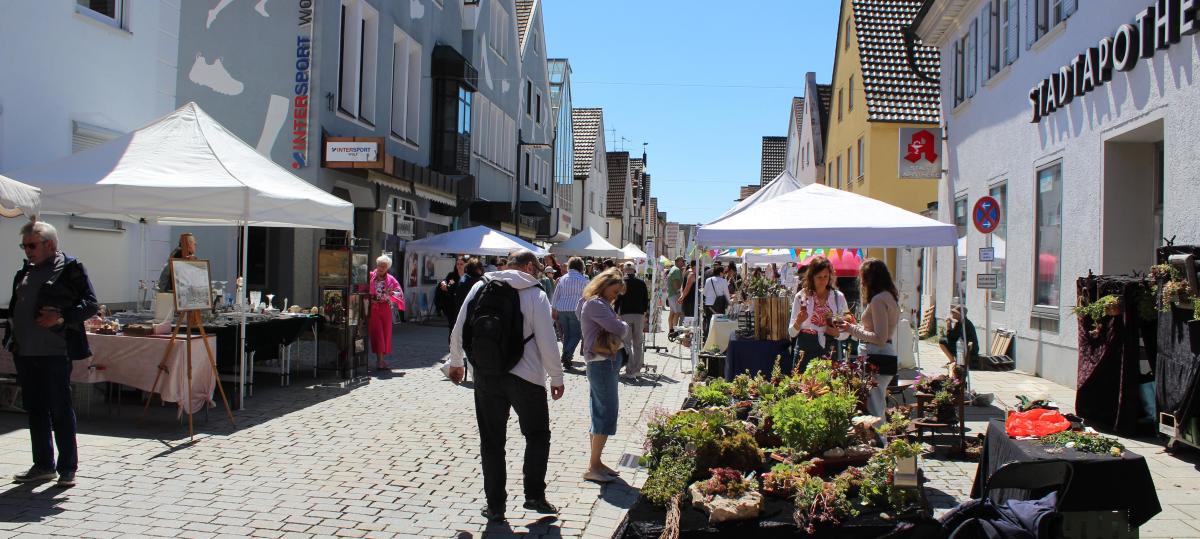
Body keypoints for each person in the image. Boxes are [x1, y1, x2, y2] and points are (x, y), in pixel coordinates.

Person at [447, 250, 564, 522]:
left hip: (487, 373)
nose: (538, 273)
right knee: (537, 436)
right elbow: (547, 340)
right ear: (527, 267)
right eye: (537, 268)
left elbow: (460, 326)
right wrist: (556, 377)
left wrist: (456, 362)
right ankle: (534, 495)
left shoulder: (481, 286)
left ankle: (495, 506)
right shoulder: (535, 295)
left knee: (492, 441)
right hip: (527, 377)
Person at [4, 221, 98, 488]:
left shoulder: (69, 268)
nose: (27, 250)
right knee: (35, 409)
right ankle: (43, 465)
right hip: (25, 351)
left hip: (55, 352)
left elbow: (90, 305)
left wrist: (61, 317)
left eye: (32, 245)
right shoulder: (25, 271)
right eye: (24, 246)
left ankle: (67, 467)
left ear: (50, 244)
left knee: (60, 408)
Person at [577, 268, 629, 483]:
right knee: (605, 413)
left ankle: (596, 463)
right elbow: (618, 328)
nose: (615, 296)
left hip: (603, 362)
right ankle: (593, 466)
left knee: (600, 412)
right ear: (604, 285)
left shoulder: (595, 303)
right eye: (614, 292)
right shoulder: (596, 304)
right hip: (601, 363)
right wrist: (623, 324)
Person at [838, 258, 900, 420]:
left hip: (877, 355)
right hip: (882, 353)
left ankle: (879, 435)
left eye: (863, 277)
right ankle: (881, 433)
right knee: (878, 404)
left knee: (874, 407)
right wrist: (855, 327)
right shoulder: (889, 297)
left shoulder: (879, 300)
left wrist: (851, 329)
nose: (861, 282)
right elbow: (877, 332)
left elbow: (879, 338)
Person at [788, 256, 850, 371]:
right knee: (802, 382)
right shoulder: (801, 297)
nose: (823, 281)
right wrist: (798, 322)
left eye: (826, 276)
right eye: (819, 277)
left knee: (829, 382)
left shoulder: (838, 297)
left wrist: (837, 334)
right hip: (805, 350)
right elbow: (792, 333)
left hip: (829, 349)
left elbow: (846, 330)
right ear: (812, 277)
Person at [550, 257, 588, 370]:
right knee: (576, 335)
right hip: (576, 309)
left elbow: (556, 295)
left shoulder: (562, 279)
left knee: (566, 334)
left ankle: (565, 355)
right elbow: (587, 296)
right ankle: (567, 354)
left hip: (562, 309)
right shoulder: (584, 280)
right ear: (581, 266)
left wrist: (553, 309)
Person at [368, 255, 405, 370]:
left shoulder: (391, 279)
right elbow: (362, 289)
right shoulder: (370, 276)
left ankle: (381, 360)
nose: (380, 268)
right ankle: (380, 361)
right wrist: (370, 299)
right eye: (379, 265)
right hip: (374, 308)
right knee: (378, 333)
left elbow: (399, 292)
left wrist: (392, 293)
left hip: (386, 308)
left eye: (383, 266)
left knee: (385, 334)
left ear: (387, 268)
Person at [614, 262, 649, 379]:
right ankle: (637, 370)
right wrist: (644, 313)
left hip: (626, 315)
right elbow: (646, 299)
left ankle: (630, 370)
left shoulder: (622, 283)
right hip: (639, 315)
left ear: (624, 270)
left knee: (627, 343)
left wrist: (615, 313)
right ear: (634, 270)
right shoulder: (641, 283)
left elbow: (617, 300)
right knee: (638, 343)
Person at [702, 262, 731, 340]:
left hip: (709, 305)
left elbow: (704, 293)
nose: (724, 274)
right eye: (724, 272)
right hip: (719, 305)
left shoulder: (708, 280)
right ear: (720, 273)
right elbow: (726, 294)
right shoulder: (723, 281)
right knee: (719, 322)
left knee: (709, 321)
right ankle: (717, 339)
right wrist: (729, 303)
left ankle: (708, 339)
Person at [436, 256, 468, 328]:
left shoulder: (468, 276)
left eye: (461, 264)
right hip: (452, 305)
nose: (459, 266)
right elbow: (449, 284)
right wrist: (444, 284)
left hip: (464, 305)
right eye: (458, 264)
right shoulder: (453, 276)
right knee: (452, 326)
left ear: (465, 265)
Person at [666, 257, 685, 330]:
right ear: (678, 261)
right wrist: (679, 293)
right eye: (683, 261)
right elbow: (675, 282)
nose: (684, 263)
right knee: (677, 313)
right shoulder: (676, 270)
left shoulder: (674, 269)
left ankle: (671, 329)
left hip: (671, 294)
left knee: (672, 312)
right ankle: (674, 330)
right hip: (675, 294)